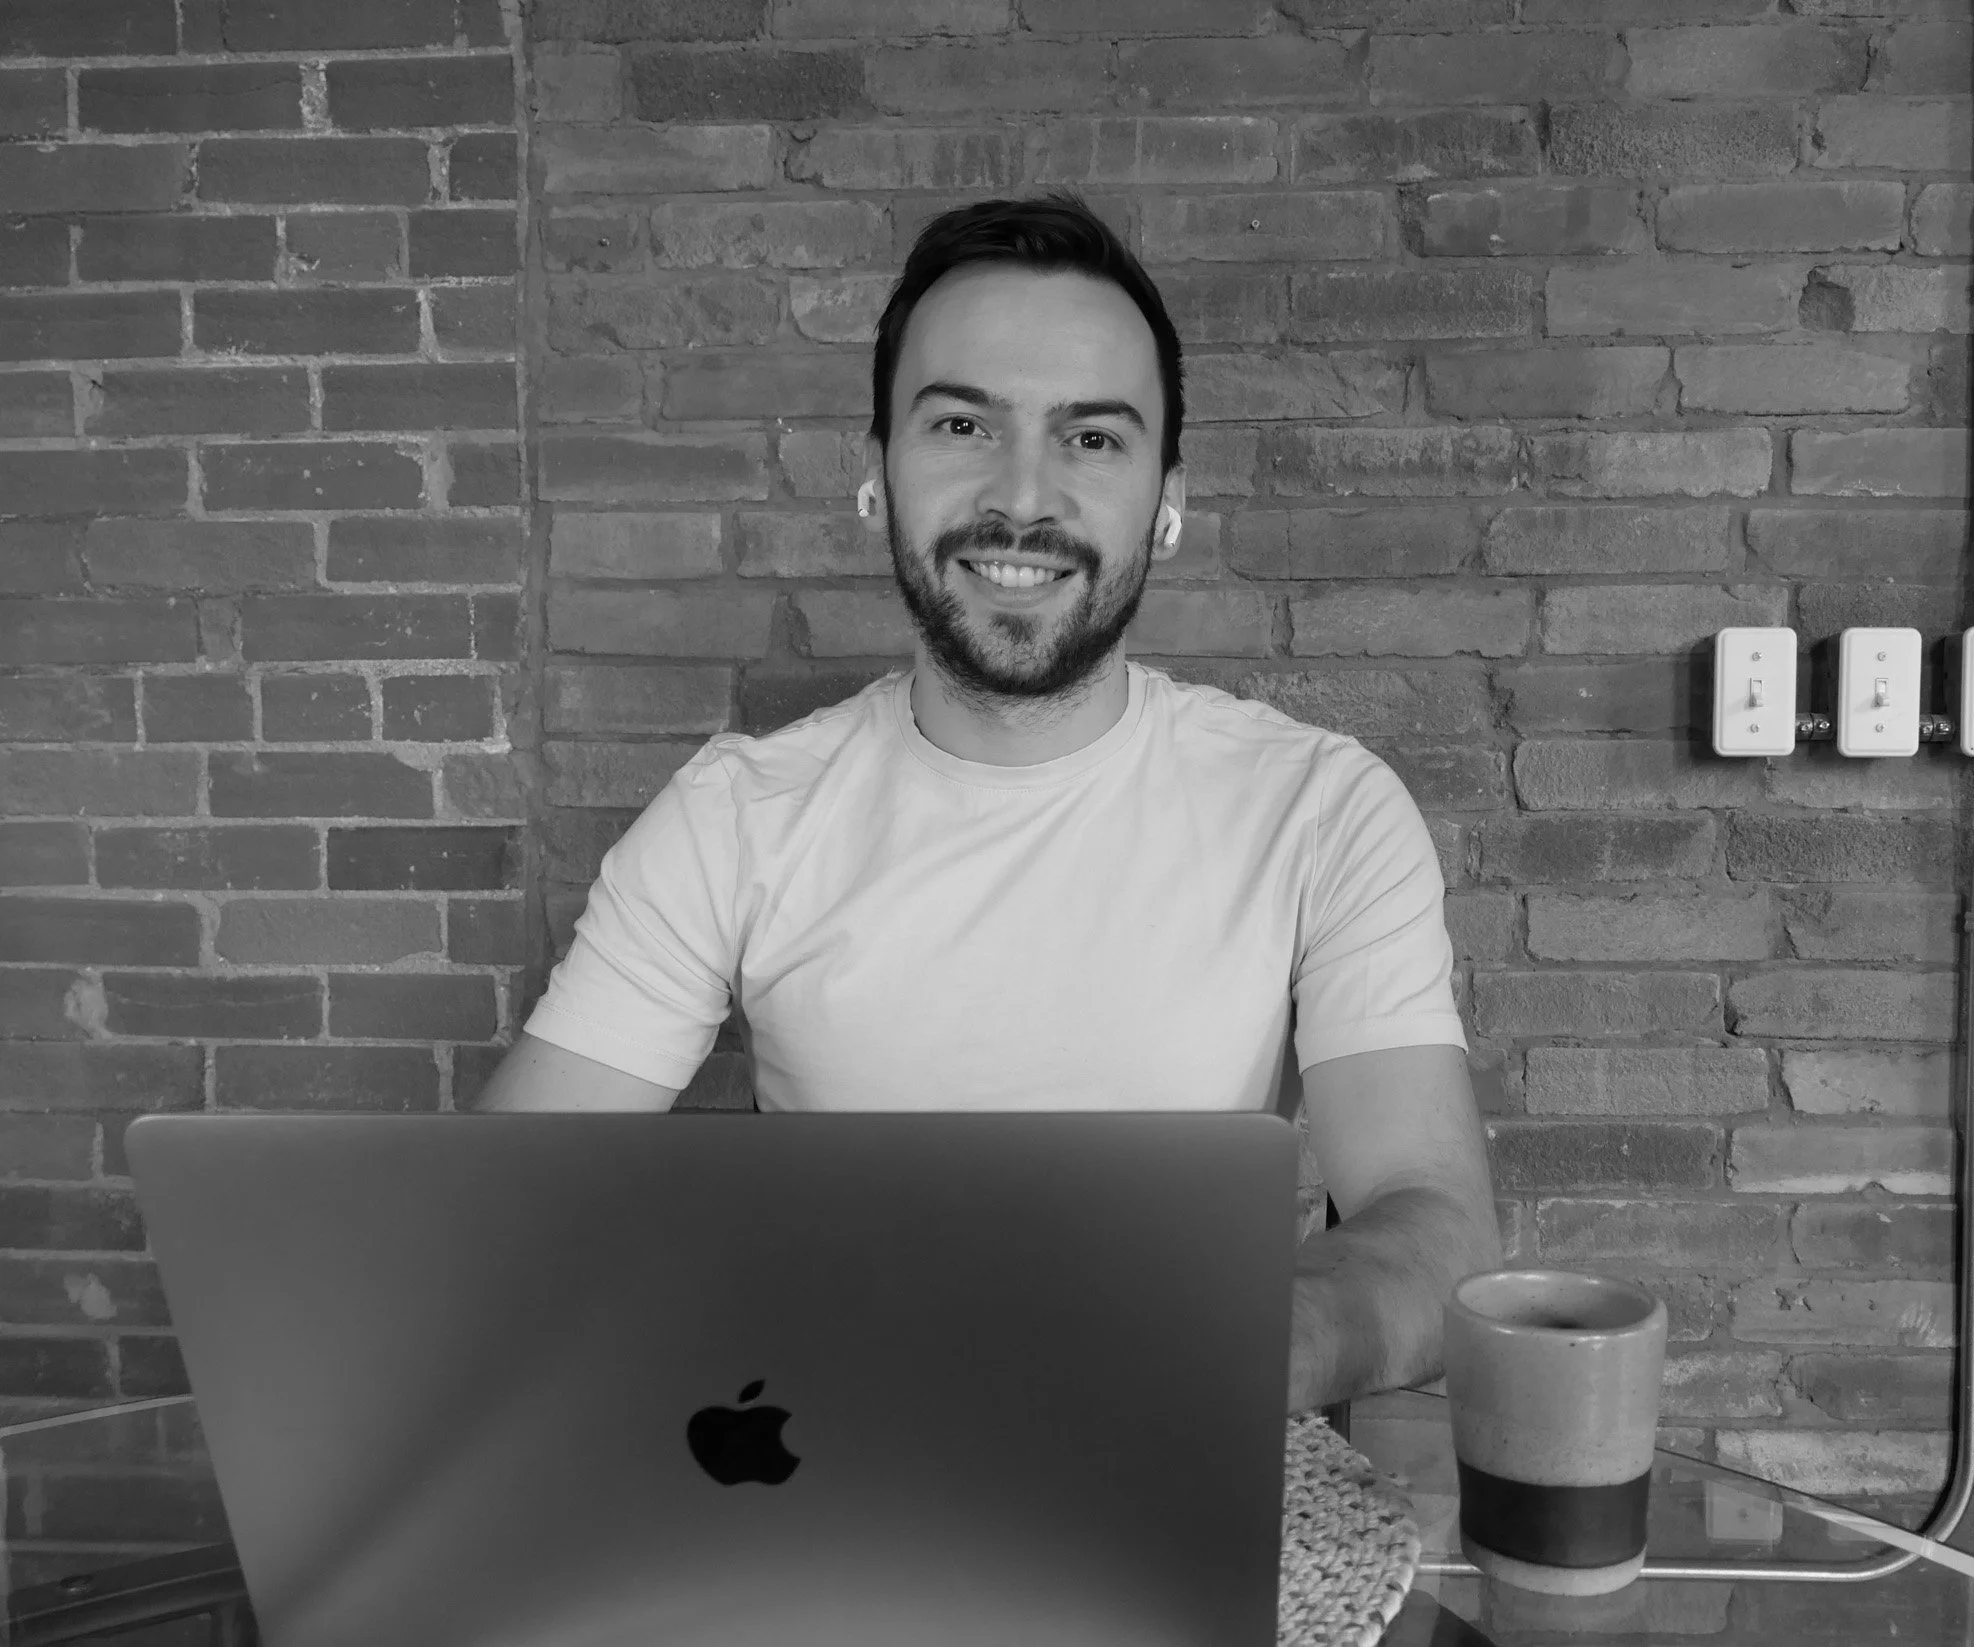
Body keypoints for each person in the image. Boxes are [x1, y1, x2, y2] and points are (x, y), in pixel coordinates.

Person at [477, 192, 1501, 1415]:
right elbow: (501, 1211)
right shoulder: (733, 818)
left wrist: (1221, 1353)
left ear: (1167, 497)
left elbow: (1439, 1231)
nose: (1022, 498)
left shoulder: (1320, 812)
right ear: (875, 475)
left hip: (1186, 1434)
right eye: (962, 423)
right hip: (829, 1453)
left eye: (1091, 438)